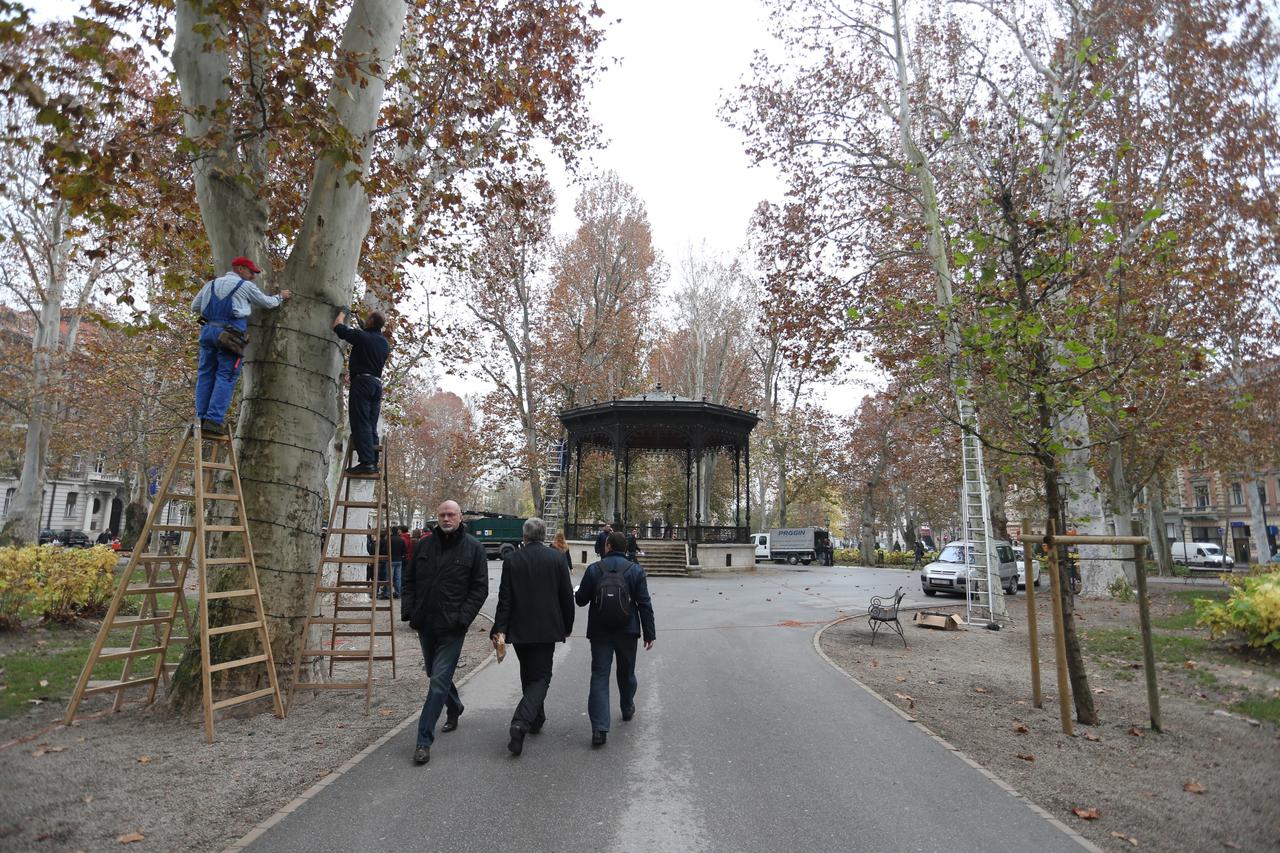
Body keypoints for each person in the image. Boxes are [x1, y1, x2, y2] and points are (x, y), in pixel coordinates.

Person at [402, 500, 487, 765]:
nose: (446, 518)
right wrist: (409, 611)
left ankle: (423, 741)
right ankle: (456, 706)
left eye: (451, 514)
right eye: (442, 514)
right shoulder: (424, 545)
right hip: (426, 622)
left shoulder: (474, 548)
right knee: (434, 673)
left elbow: (479, 588)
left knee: (438, 680)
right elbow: (409, 579)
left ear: (461, 517)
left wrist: (463, 618)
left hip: (453, 626)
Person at [490, 517, 575, 756]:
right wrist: (567, 626)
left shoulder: (512, 559)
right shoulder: (557, 558)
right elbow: (566, 597)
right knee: (541, 677)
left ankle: (537, 718)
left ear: (524, 536)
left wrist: (500, 628)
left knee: (529, 673)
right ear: (543, 534)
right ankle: (521, 721)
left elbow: (505, 598)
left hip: (519, 627)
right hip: (547, 628)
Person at [191, 256, 291, 434]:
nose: (253, 276)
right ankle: (213, 420)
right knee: (226, 375)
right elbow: (267, 303)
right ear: (240, 269)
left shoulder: (210, 285)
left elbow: (195, 306)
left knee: (205, 374)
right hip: (230, 335)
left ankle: (200, 418)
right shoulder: (245, 286)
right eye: (251, 272)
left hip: (208, 331)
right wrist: (280, 297)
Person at [574, 530, 656, 747]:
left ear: (608, 546)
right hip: (627, 630)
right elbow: (644, 604)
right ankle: (627, 706)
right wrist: (649, 634)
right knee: (626, 671)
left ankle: (599, 729)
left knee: (599, 676)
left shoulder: (594, 569)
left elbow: (581, 600)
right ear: (626, 549)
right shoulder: (635, 570)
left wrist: (581, 592)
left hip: (600, 631)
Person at [333, 307, 390, 475]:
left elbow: (338, 328)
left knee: (361, 422)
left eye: (367, 319)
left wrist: (343, 313)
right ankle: (373, 460)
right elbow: (368, 341)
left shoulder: (362, 337)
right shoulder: (384, 344)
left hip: (362, 383)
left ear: (371, 322)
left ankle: (366, 462)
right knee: (371, 424)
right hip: (376, 385)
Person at [388, 524, 406, 599]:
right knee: (398, 577)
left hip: (391, 559)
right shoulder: (401, 540)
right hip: (399, 560)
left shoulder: (389, 539)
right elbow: (403, 550)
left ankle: (388, 592)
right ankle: (398, 593)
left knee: (389, 577)